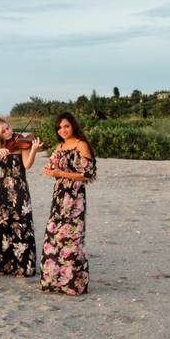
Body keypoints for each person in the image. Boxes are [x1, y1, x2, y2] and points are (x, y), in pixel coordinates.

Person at [39, 112, 96, 295]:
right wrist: (49, 170)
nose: (63, 130)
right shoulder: (60, 146)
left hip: (74, 198)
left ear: (73, 126)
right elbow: (52, 167)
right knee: (53, 237)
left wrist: (60, 174)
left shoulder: (81, 145)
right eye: (59, 127)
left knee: (72, 240)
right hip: (59, 197)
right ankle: (54, 283)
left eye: (66, 126)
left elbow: (86, 175)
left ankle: (73, 285)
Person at [0, 118, 42, 277]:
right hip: (3, 189)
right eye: (3, 131)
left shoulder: (21, 142)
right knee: (5, 224)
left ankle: (23, 267)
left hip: (19, 188)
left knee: (21, 225)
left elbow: (27, 165)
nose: (8, 132)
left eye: (8, 128)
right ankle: (7, 265)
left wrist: (33, 150)